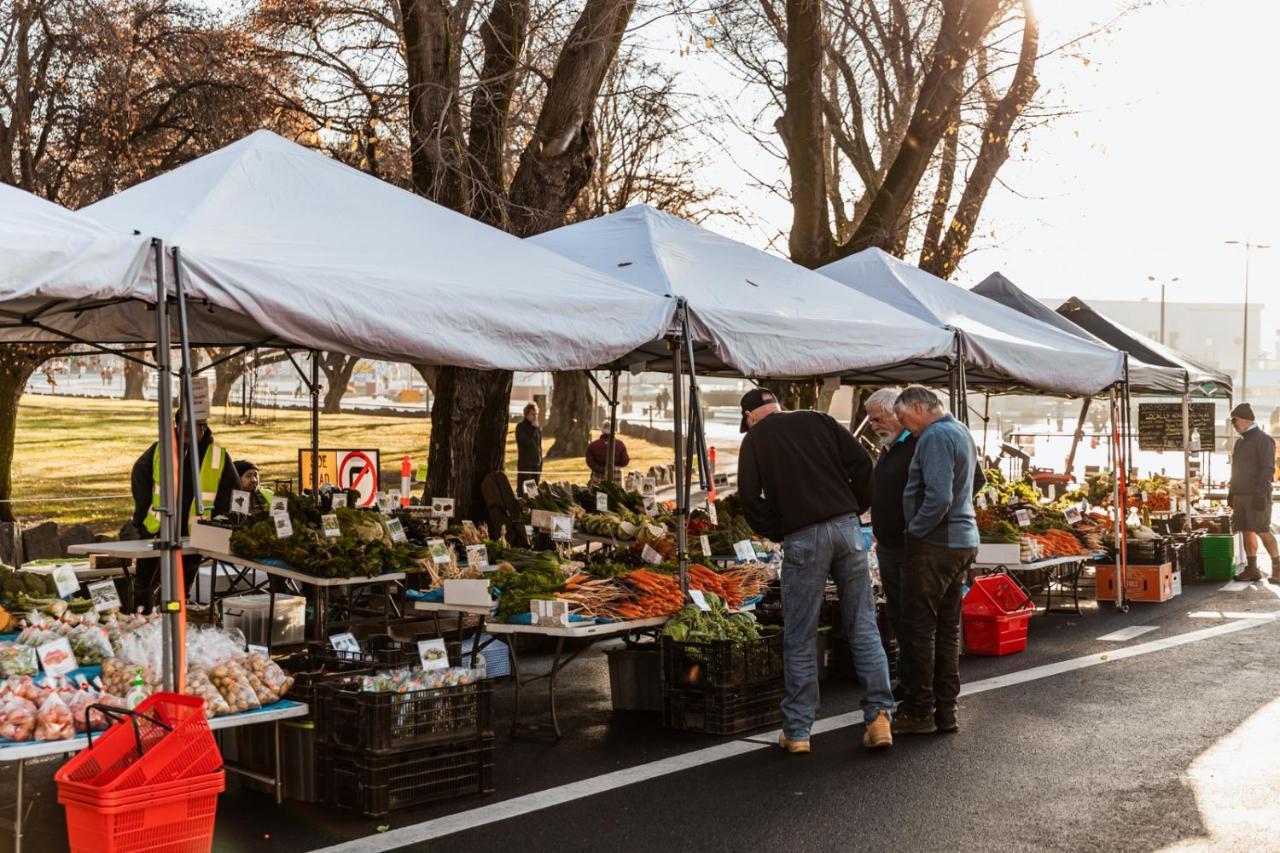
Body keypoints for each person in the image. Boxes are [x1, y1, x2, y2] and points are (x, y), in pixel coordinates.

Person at [737, 388, 894, 753]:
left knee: (801, 634)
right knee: (863, 625)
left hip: (802, 538)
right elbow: (862, 464)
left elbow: (748, 497)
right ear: (777, 406)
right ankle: (879, 717)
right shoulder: (818, 419)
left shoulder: (756, 440)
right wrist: (854, 507)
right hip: (847, 530)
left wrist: (777, 529)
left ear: (749, 418)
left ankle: (798, 731)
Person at [892, 385, 980, 736]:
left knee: (920, 629)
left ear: (918, 406)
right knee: (946, 629)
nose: (903, 424)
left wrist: (916, 530)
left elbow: (939, 497)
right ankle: (946, 710)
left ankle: (919, 710)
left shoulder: (934, 436)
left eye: (903, 417)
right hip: (961, 540)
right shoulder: (960, 431)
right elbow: (974, 484)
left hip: (936, 543)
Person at [129, 406, 239, 608]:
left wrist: (220, 521)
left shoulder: (218, 456)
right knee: (144, 584)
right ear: (176, 425)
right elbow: (139, 476)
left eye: (192, 426)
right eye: (183, 425)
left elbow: (231, 492)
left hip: (196, 534)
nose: (186, 430)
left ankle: (176, 622)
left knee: (181, 588)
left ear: (203, 427)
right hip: (157, 530)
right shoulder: (160, 450)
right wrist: (143, 512)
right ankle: (142, 621)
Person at [1227, 403, 1278, 583]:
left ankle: (1277, 569)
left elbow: (1268, 469)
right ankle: (1252, 569)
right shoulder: (1240, 441)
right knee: (1246, 531)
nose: (1233, 423)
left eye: (1235, 420)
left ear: (1247, 420)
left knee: (1263, 530)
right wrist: (1231, 492)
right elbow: (1236, 469)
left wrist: (1260, 494)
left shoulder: (1264, 440)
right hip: (1240, 495)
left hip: (1257, 495)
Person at [515, 403, 543, 492]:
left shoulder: (537, 428)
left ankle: (531, 504)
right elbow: (525, 442)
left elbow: (539, 445)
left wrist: (541, 461)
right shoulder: (521, 427)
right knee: (525, 491)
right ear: (526, 414)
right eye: (532, 414)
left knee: (534, 492)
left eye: (536, 414)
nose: (535, 416)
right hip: (526, 465)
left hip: (536, 464)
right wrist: (533, 429)